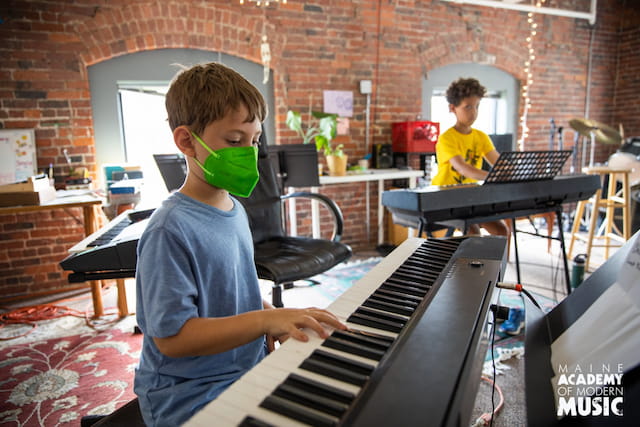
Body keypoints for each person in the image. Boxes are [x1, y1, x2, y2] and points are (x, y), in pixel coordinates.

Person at [133, 62, 346, 427]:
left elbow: (237, 289)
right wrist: (265, 318)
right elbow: (172, 338)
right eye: (234, 141)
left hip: (243, 369)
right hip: (188, 393)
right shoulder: (169, 230)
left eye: (255, 140)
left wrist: (274, 318)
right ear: (187, 141)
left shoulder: (234, 208)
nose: (249, 152)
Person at [431, 77, 509, 237]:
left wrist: (511, 171)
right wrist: (493, 177)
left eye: (476, 107)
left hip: (470, 196)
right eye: (467, 107)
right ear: (453, 108)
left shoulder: (481, 137)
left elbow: (499, 162)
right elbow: (464, 169)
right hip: (446, 197)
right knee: (473, 232)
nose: (473, 112)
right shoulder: (447, 138)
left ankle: (500, 263)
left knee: (502, 231)